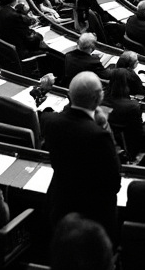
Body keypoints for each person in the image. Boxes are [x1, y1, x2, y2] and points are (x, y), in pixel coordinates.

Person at [41, 72, 121, 240]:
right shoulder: (99, 135)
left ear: (70, 95)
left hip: (60, 205)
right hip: (91, 217)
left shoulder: (50, 122)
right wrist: (105, 127)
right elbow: (114, 183)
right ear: (99, 98)